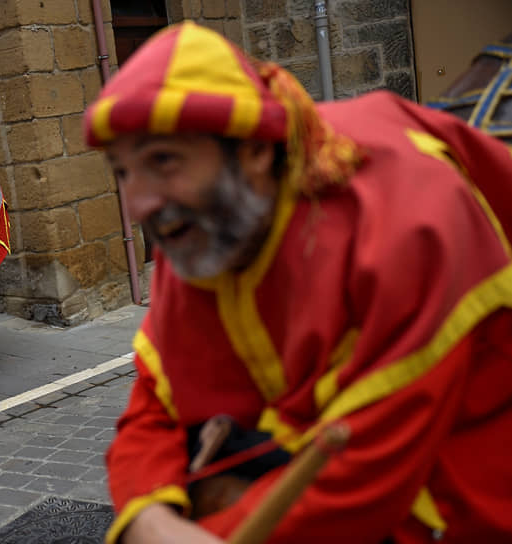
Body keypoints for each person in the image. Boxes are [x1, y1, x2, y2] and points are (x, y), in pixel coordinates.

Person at [84, 21, 512, 544]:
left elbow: (364, 475)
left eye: (163, 161)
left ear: (254, 152)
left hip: (456, 481)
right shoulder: (201, 230)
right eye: (123, 172)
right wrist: (148, 514)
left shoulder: (405, 225)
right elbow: (154, 404)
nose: (138, 205)